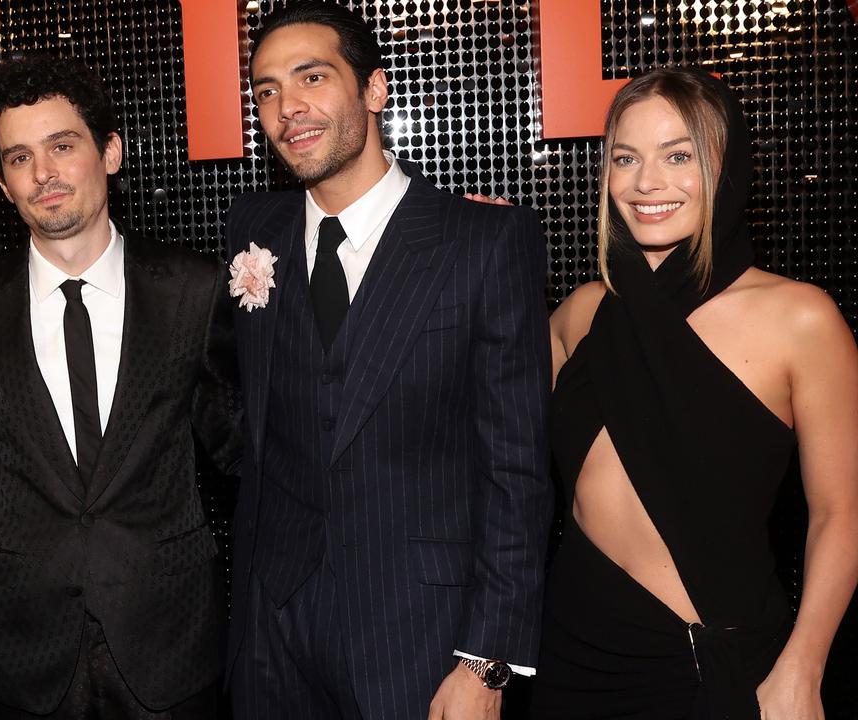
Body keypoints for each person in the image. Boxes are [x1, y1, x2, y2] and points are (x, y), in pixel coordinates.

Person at [224, 3, 553, 719]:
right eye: (268, 91)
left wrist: (487, 663)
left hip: (420, 640)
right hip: (274, 642)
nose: (288, 110)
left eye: (313, 77)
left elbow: (517, 471)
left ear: (375, 89)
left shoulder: (483, 241)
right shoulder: (253, 231)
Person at [530, 69, 858, 719]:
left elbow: (839, 515)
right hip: (572, 656)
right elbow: (484, 457)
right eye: (627, 158)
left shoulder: (801, 319)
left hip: (715, 665)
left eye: (679, 156)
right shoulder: (579, 316)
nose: (647, 182)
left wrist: (803, 666)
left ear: (726, 168)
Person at [0, 53, 242, 720]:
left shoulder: (192, 290)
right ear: (2, 183)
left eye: (62, 145)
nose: (43, 173)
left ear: (110, 152)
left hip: (170, 649)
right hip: (20, 659)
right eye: (19, 158)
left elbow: (246, 454)